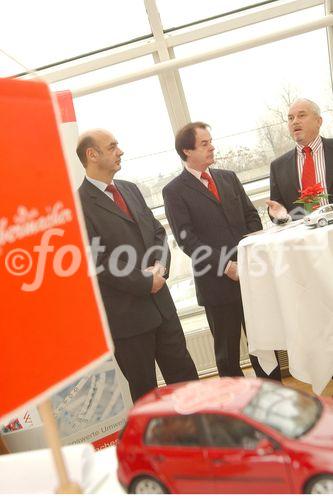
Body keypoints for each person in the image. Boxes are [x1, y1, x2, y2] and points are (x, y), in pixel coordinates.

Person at [76, 129, 198, 402]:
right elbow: (99, 260)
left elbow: (157, 232)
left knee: (187, 381)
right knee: (147, 397)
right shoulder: (78, 204)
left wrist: (160, 268)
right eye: (112, 147)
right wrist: (145, 282)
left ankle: (202, 437)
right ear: (92, 155)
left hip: (163, 308)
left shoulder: (130, 189)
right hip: (127, 319)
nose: (120, 151)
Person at [162, 121, 281, 380]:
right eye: (204, 144)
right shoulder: (174, 192)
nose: (212, 147)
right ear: (186, 151)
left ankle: (275, 403)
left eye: (210, 141)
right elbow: (187, 240)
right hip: (216, 285)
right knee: (227, 357)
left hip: (250, 277)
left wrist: (248, 255)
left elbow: (251, 217)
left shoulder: (228, 178)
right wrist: (226, 266)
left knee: (264, 346)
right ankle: (236, 412)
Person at [267, 98, 333, 221]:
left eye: (301, 115)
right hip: (303, 238)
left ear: (318, 121)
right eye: (291, 118)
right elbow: (277, 208)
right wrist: (279, 215)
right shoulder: (277, 167)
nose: (295, 122)